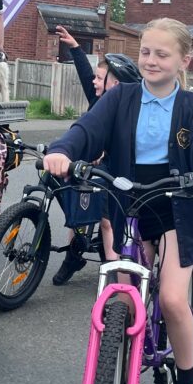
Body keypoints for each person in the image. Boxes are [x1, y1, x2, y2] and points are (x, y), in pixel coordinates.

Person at [44, 18, 193, 384]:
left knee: (171, 297)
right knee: (122, 298)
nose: (150, 60)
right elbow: (86, 130)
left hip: (176, 206)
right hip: (128, 203)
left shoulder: (192, 106)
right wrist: (61, 151)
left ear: (184, 59)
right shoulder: (121, 98)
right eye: (145, 51)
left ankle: (187, 382)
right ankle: (116, 366)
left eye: (162, 54)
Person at [51, 26, 142, 285]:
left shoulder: (127, 109)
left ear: (114, 83)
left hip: (113, 175)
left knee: (106, 219)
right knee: (69, 194)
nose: (94, 81)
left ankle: (113, 272)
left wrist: (102, 153)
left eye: (100, 77)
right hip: (90, 170)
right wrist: (75, 47)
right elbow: (85, 75)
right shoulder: (98, 99)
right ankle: (74, 253)